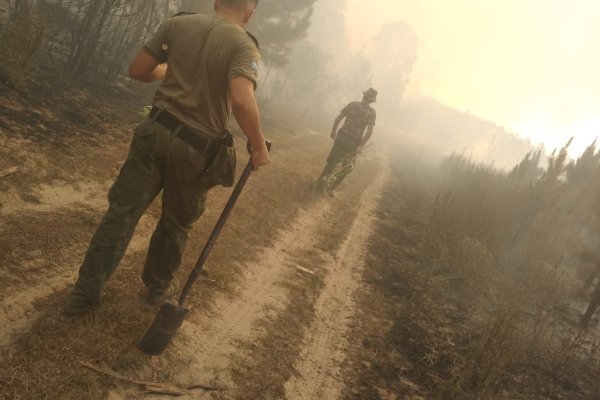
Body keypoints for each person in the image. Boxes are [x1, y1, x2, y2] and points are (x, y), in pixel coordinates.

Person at [62, 0, 270, 316]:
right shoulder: (244, 45)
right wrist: (258, 144)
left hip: (154, 131)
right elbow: (241, 99)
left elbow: (138, 70)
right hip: (195, 148)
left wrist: (171, 71)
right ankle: (154, 292)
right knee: (175, 225)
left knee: (121, 215)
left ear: (216, 2)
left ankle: (84, 293)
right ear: (250, 11)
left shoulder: (178, 24)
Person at [317, 88, 377, 196]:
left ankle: (319, 186)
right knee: (346, 167)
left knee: (331, 162)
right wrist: (361, 146)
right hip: (353, 143)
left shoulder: (353, 104)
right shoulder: (372, 113)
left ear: (363, 96)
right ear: (372, 101)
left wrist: (333, 131)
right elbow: (369, 132)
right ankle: (331, 189)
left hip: (341, 138)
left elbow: (338, 119)